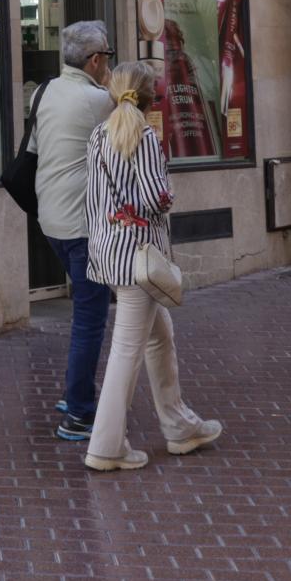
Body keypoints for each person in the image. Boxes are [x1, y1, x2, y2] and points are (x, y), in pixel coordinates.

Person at [83, 61, 222, 472]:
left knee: (159, 338)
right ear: (148, 98)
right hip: (141, 257)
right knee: (126, 350)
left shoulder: (98, 134)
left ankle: (180, 426)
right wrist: (168, 192)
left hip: (110, 252)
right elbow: (156, 198)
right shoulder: (143, 136)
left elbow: (93, 198)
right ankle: (106, 446)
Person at [34, 20, 118, 443]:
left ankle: (74, 394)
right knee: (89, 319)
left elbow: (36, 148)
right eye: (108, 58)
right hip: (82, 225)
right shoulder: (97, 99)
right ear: (96, 60)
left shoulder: (44, 91)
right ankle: (80, 415)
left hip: (50, 219)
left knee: (85, 314)